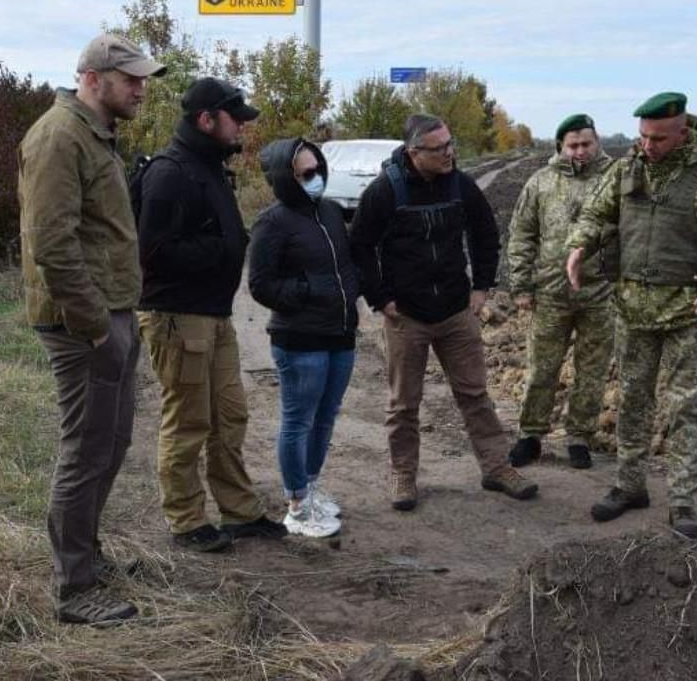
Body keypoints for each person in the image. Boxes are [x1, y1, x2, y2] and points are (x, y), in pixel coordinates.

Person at [565, 92, 697, 539]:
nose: (648, 145)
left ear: (682, 132)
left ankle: (682, 502)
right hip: (632, 311)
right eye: (642, 136)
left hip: (686, 313)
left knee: (684, 410)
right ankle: (629, 485)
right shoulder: (625, 170)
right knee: (633, 403)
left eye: (658, 138)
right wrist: (580, 246)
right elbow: (594, 214)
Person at [18, 33, 165, 624]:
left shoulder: (96, 135)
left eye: (141, 78)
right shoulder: (59, 135)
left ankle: (87, 557)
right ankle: (74, 589)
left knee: (114, 440)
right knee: (85, 450)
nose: (140, 88)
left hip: (110, 315)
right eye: (130, 78)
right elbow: (51, 242)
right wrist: (97, 325)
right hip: (84, 324)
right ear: (92, 77)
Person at [349, 113, 538, 511]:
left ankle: (497, 468)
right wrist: (380, 299)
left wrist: (481, 288)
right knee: (404, 403)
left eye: (451, 144)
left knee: (475, 395)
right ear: (414, 152)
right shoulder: (385, 192)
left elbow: (486, 233)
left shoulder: (460, 185)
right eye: (440, 149)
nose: (450, 153)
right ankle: (404, 475)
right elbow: (360, 247)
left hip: (456, 311)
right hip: (407, 316)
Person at [136, 77, 288, 553]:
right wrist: (223, 247)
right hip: (178, 317)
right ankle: (185, 521)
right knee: (188, 422)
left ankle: (240, 512)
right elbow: (153, 251)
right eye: (234, 117)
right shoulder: (171, 172)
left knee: (229, 416)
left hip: (213, 316)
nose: (241, 125)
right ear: (206, 119)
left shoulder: (208, 166)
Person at [248, 138, 360, 538]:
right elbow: (260, 284)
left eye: (319, 170)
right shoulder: (272, 222)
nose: (316, 179)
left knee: (326, 418)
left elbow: (346, 263)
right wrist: (306, 292)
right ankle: (296, 504)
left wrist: (353, 289)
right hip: (299, 339)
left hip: (340, 335)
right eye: (306, 174)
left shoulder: (329, 212)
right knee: (298, 420)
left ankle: (310, 485)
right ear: (286, 178)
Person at [506, 113, 617, 471]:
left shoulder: (616, 180)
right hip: (550, 293)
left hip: (599, 293)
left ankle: (579, 437)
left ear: (597, 143)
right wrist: (521, 284)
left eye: (587, 143)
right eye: (573, 145)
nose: (581, 151)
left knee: (592, 369)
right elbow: (522, 235)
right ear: (560, 147)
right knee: (542, 367)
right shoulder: (540, 183)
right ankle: (530, 435)